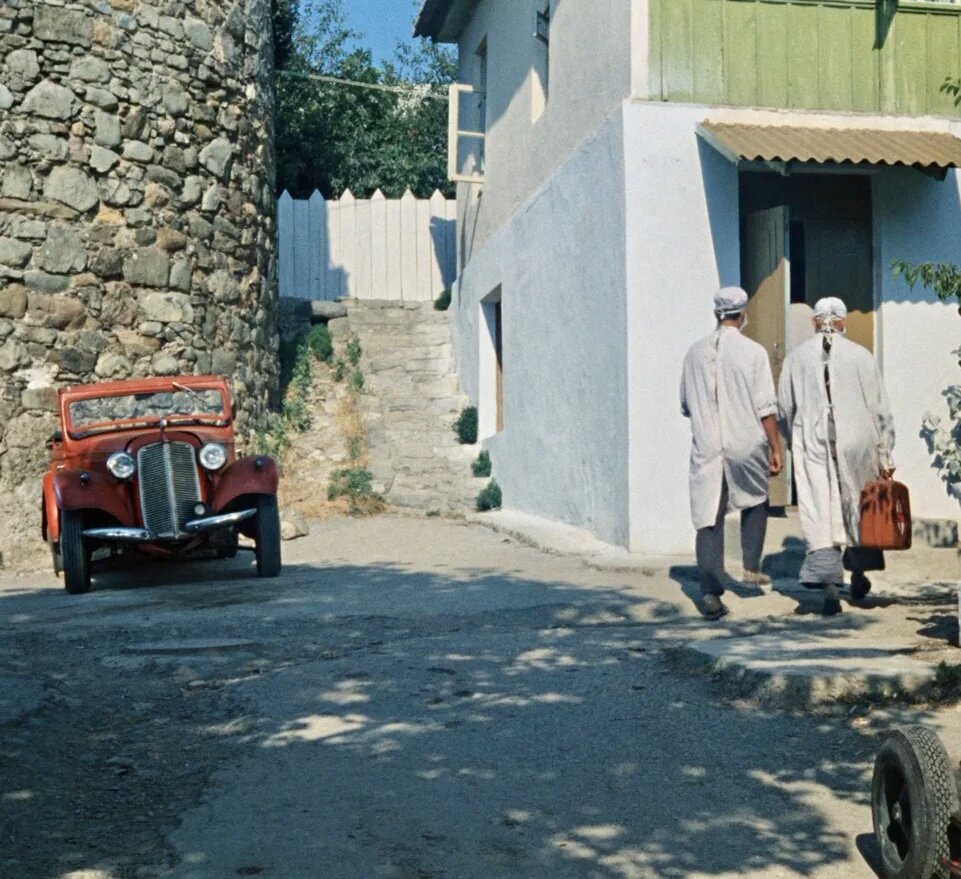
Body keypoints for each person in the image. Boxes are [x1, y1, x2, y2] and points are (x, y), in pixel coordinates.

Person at [777, 296, 895, 615]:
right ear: (842, 322)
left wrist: (793, 440)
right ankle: (857, 574)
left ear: (815, 321)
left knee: (822, 509)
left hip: (813, 441)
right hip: (858, 442)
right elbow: (879, 410)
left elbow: (785, 409)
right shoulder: (861, 356)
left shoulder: (796, 358)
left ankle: (830, 589)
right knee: (857, 504)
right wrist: (886, 455)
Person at [680, 286, 783, 620]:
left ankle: (710, 592)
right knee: (756, 497)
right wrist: (776, 446)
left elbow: (685, 405)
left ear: (716, 314)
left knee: (708, 515)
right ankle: (751, 566)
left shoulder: (694, 353)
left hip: (707, 445)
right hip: (746, 442)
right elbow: (766, 407)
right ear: (742, 315)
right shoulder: (753, 352)